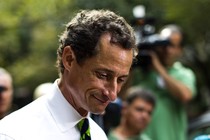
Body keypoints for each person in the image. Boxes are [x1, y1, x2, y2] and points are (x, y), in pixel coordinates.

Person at [0, 9, 136, 140]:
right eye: (103, 75)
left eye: (121, 80)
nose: (112, 95)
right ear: (69, 59)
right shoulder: (13, 134)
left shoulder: (98, 135)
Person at [128, 24, 197, 140]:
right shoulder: (142, 73)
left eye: (172, 46)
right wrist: (131, 66)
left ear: (180, 50)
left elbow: (185, 95)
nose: (167, 50)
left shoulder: (184, 73)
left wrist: (158, 68)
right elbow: (121, 96)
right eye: (164, 44)